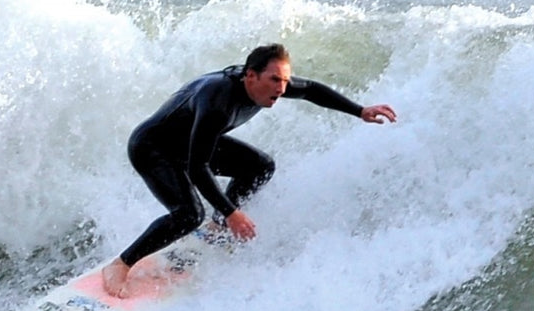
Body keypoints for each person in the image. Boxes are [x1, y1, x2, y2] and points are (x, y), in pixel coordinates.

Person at [102, 43, 397, 297]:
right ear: (251, 75)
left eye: (284, 80)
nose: (281, 89)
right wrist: (232, 212)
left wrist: (360, 110)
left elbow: (312, 91)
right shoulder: (217, 101)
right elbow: (197, 166)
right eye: (274, 80)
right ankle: (121, 264)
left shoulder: (269, 85)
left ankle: (216, 228)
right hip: (154, 149)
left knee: (259, 166)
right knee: (188, 214)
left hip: (188, 144)